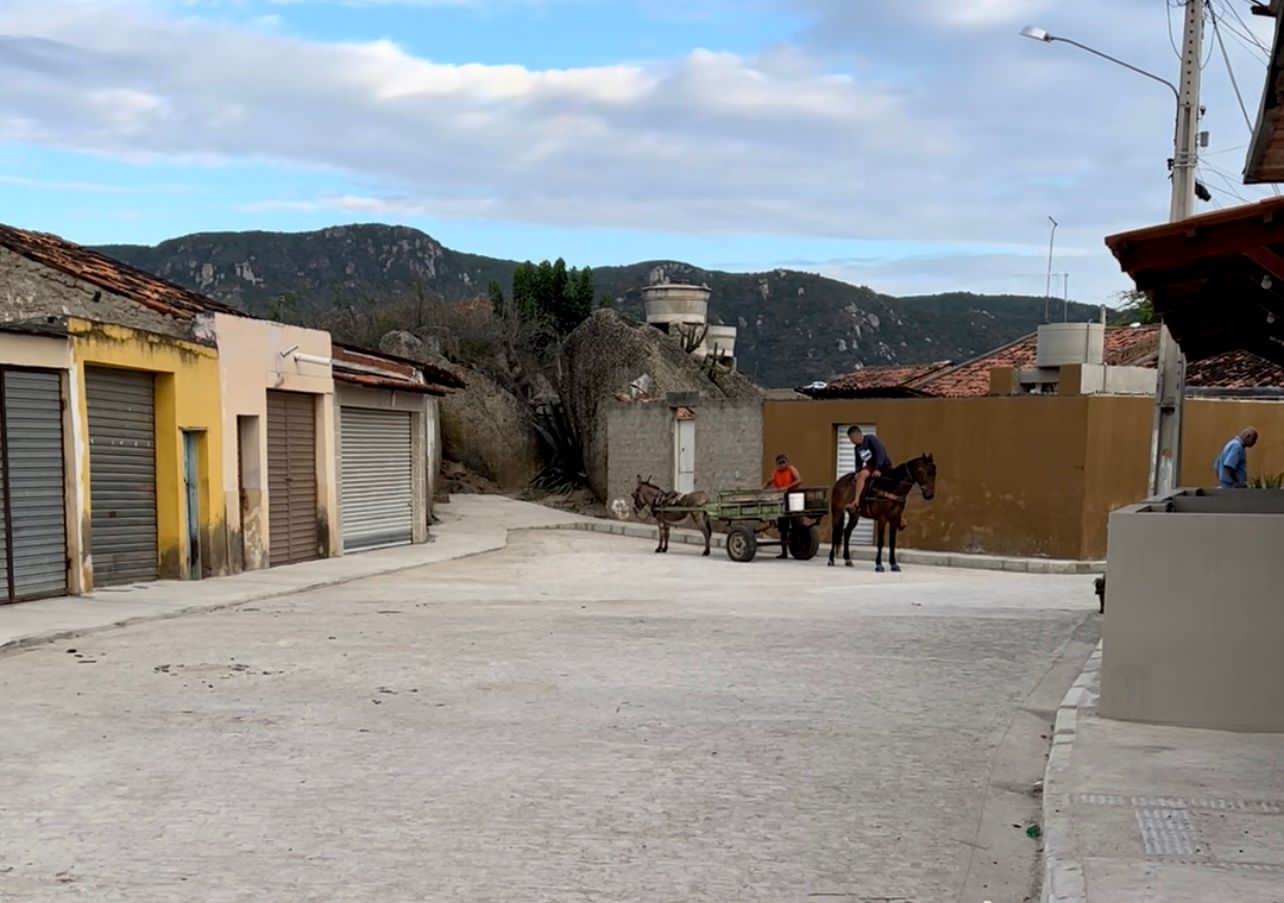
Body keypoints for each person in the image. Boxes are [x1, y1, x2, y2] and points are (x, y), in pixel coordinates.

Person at [847, 425, 892, 513]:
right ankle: (856, 501)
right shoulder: (857, 448)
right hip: (870, 466)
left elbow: (880, 452)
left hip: (882, 464)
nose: (851, 441)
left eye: (852, 438)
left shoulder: (871, 439)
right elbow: (858, 461)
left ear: (858, 434)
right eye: (850, 439)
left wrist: (877, 468)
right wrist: (857, 471)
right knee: (862, 475)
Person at [765, 454, 802, 558]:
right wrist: (762, 490)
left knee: (796, 524)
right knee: (783, 528)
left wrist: (787, 487)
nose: (782, 465)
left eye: (783, 462)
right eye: (780, 463)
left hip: (792, 498)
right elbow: (768, 482)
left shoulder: (791, 469)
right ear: (777, 464)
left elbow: (799, 480)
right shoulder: (775, 473)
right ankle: (784, 552)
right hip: (781, 500)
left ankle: (798, 548)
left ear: (787, 462)